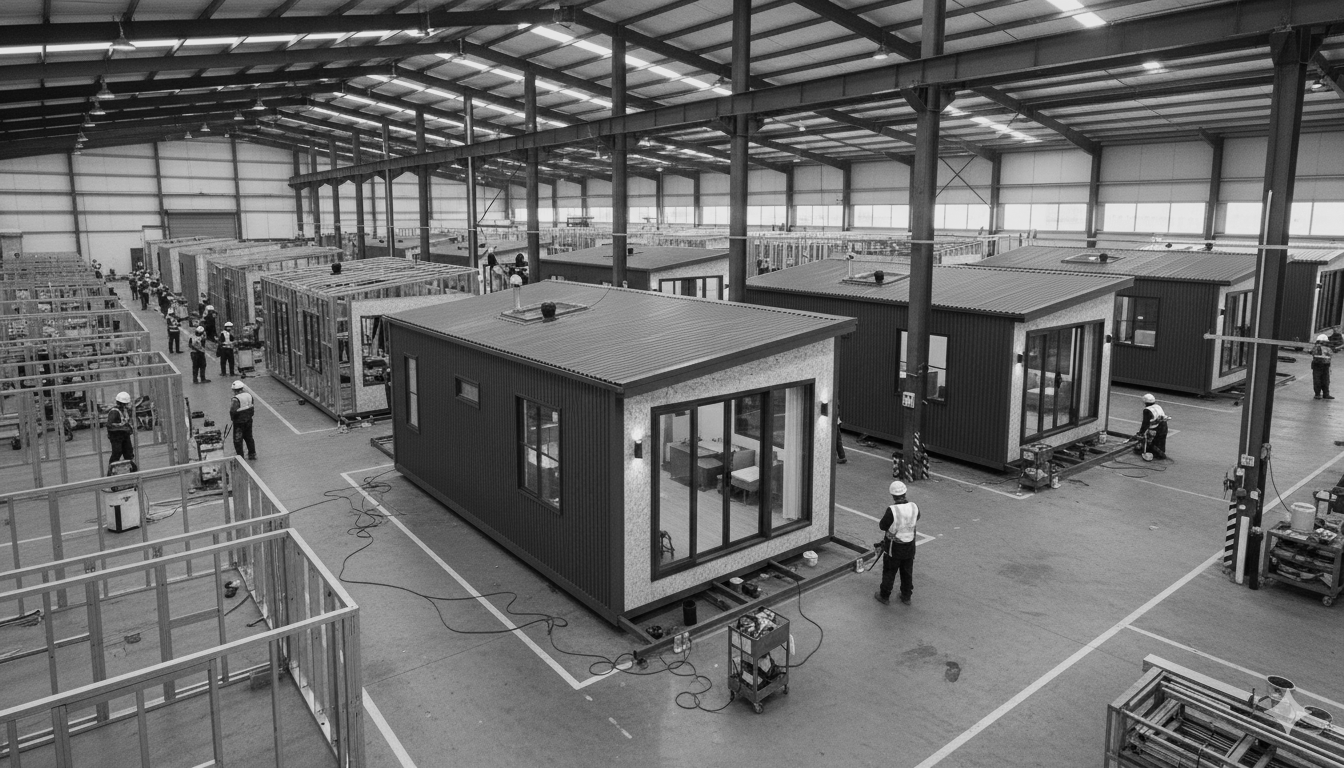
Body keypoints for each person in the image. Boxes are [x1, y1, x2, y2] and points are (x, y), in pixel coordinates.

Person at [875, 480, 919, 606]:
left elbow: (883, 526)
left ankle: (884, 596)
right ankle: (906, 596)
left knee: (889, 571)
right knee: (907, 571)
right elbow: (917, 517)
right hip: (910, 546)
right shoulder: (914, 506)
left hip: (894, 547)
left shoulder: (892, 510)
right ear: (905, 493)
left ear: (893, 496)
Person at [105, 391, 136, 472]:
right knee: (117, 452)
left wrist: (129, 428)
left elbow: (125, 421)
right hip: (116, 436)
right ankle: (111, 471)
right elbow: (109, 425)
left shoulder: (124, 410)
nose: (125, 405)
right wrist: (123, 428)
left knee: (128, 452)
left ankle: (132, 470)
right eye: (124, 404)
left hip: (125, 435)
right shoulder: (114, 412)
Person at [1135, 393, 1170, 461]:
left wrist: (1141, 433)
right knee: (1161, 440)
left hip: (1156, 428)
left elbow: (1145, 423)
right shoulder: (1158, 406)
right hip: (1164, 426)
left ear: (1145, 402)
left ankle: (1155, 453)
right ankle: (1160, 453)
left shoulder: (1147, 410)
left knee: (1151, 441)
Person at [230, 381, 256, 460]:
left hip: (239, 422)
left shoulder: (236, 399)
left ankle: (240, 457)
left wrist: (233, 419)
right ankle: (252, 454)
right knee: (249, 437)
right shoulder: (249, 395)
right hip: (248, 420)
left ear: (235, 390)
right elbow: (251, 407)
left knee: (238, 440)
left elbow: (233, 411)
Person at [1311, 333, 1334, 400]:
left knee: (1324, 380)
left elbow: (1330, 355)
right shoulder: (1317, 348)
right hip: (1319, 365)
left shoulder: (1324, 348)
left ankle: (1324, 394)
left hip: (1323, 365)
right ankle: (1319, 394)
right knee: (1319, 380)